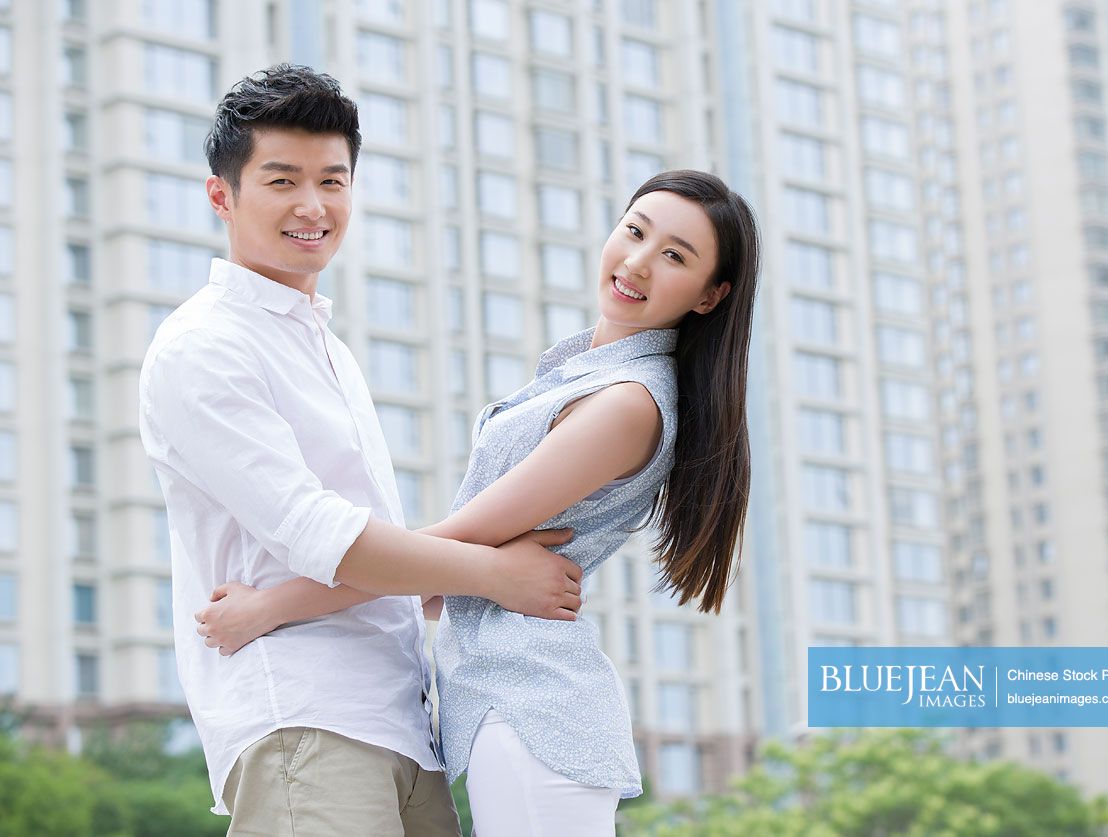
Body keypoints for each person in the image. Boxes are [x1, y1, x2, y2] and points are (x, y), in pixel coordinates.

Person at [202, 168, 760, 835]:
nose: (637, 262)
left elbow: (454, 541)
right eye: (634, 231)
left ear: (709, 295)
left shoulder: (626, 404)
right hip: (509, 703)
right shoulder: (586, 375)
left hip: (533, 708)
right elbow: (453, 565)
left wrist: (269, 607)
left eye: (675, 256)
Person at [138, 64, 584, 837]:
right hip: (304, 721)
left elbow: (374, 551)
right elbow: (326, 538)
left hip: (403, 722)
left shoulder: (325, 348)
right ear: (223, 195)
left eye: (332, 180)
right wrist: (494, 572)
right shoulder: (203, 346)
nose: (313, 206)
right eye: (282, 180)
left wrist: (439, 575)